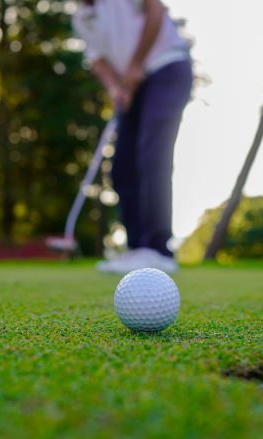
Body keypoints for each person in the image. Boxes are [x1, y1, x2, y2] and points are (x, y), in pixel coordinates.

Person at [72, 0, 192, 274]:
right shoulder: (81, 18)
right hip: (131, 88)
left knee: (152, 156)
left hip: (167, 67)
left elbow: (155, 10)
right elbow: (98, 59)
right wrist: (115, 87)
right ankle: (138, 248)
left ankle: (158, 249)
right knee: (122, 168)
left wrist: (136, 64)